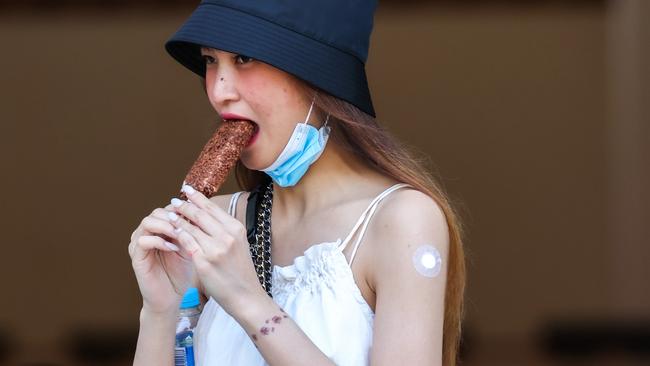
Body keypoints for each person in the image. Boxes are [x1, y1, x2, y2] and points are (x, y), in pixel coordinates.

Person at [128, 0, 466, 365]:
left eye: (243, 57)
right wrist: (159, 311)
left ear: (317, 75)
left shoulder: (401, 220)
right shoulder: (213, 223)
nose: (220, 91)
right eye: (211, 60)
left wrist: (248, 300)